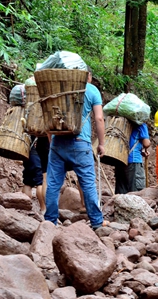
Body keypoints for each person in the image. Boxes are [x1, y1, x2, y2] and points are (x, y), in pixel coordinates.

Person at [45, 68, 106, 230]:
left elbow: (48, 117)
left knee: (53, 185)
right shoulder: (92, 90)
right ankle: (97, 222)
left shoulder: (59, 89)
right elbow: (99, 118)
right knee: (88, 184)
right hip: (81, 144)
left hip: (57, 142)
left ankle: (49, 222)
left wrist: (52, 142)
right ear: (89, 77)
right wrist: (101, 143)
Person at [115, 122, 151, 194]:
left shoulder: (122, 122)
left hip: (120, 159)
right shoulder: (141, 124)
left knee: (121, 191)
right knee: (136, 192)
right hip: (134, 161)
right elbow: (146, 143)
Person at [21, 136, 49, 213]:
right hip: (39, 152)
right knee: (41, 182)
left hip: (27, 150)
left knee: (28, 182)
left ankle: (24, 209)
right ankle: (43, 209)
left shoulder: (29, 126)